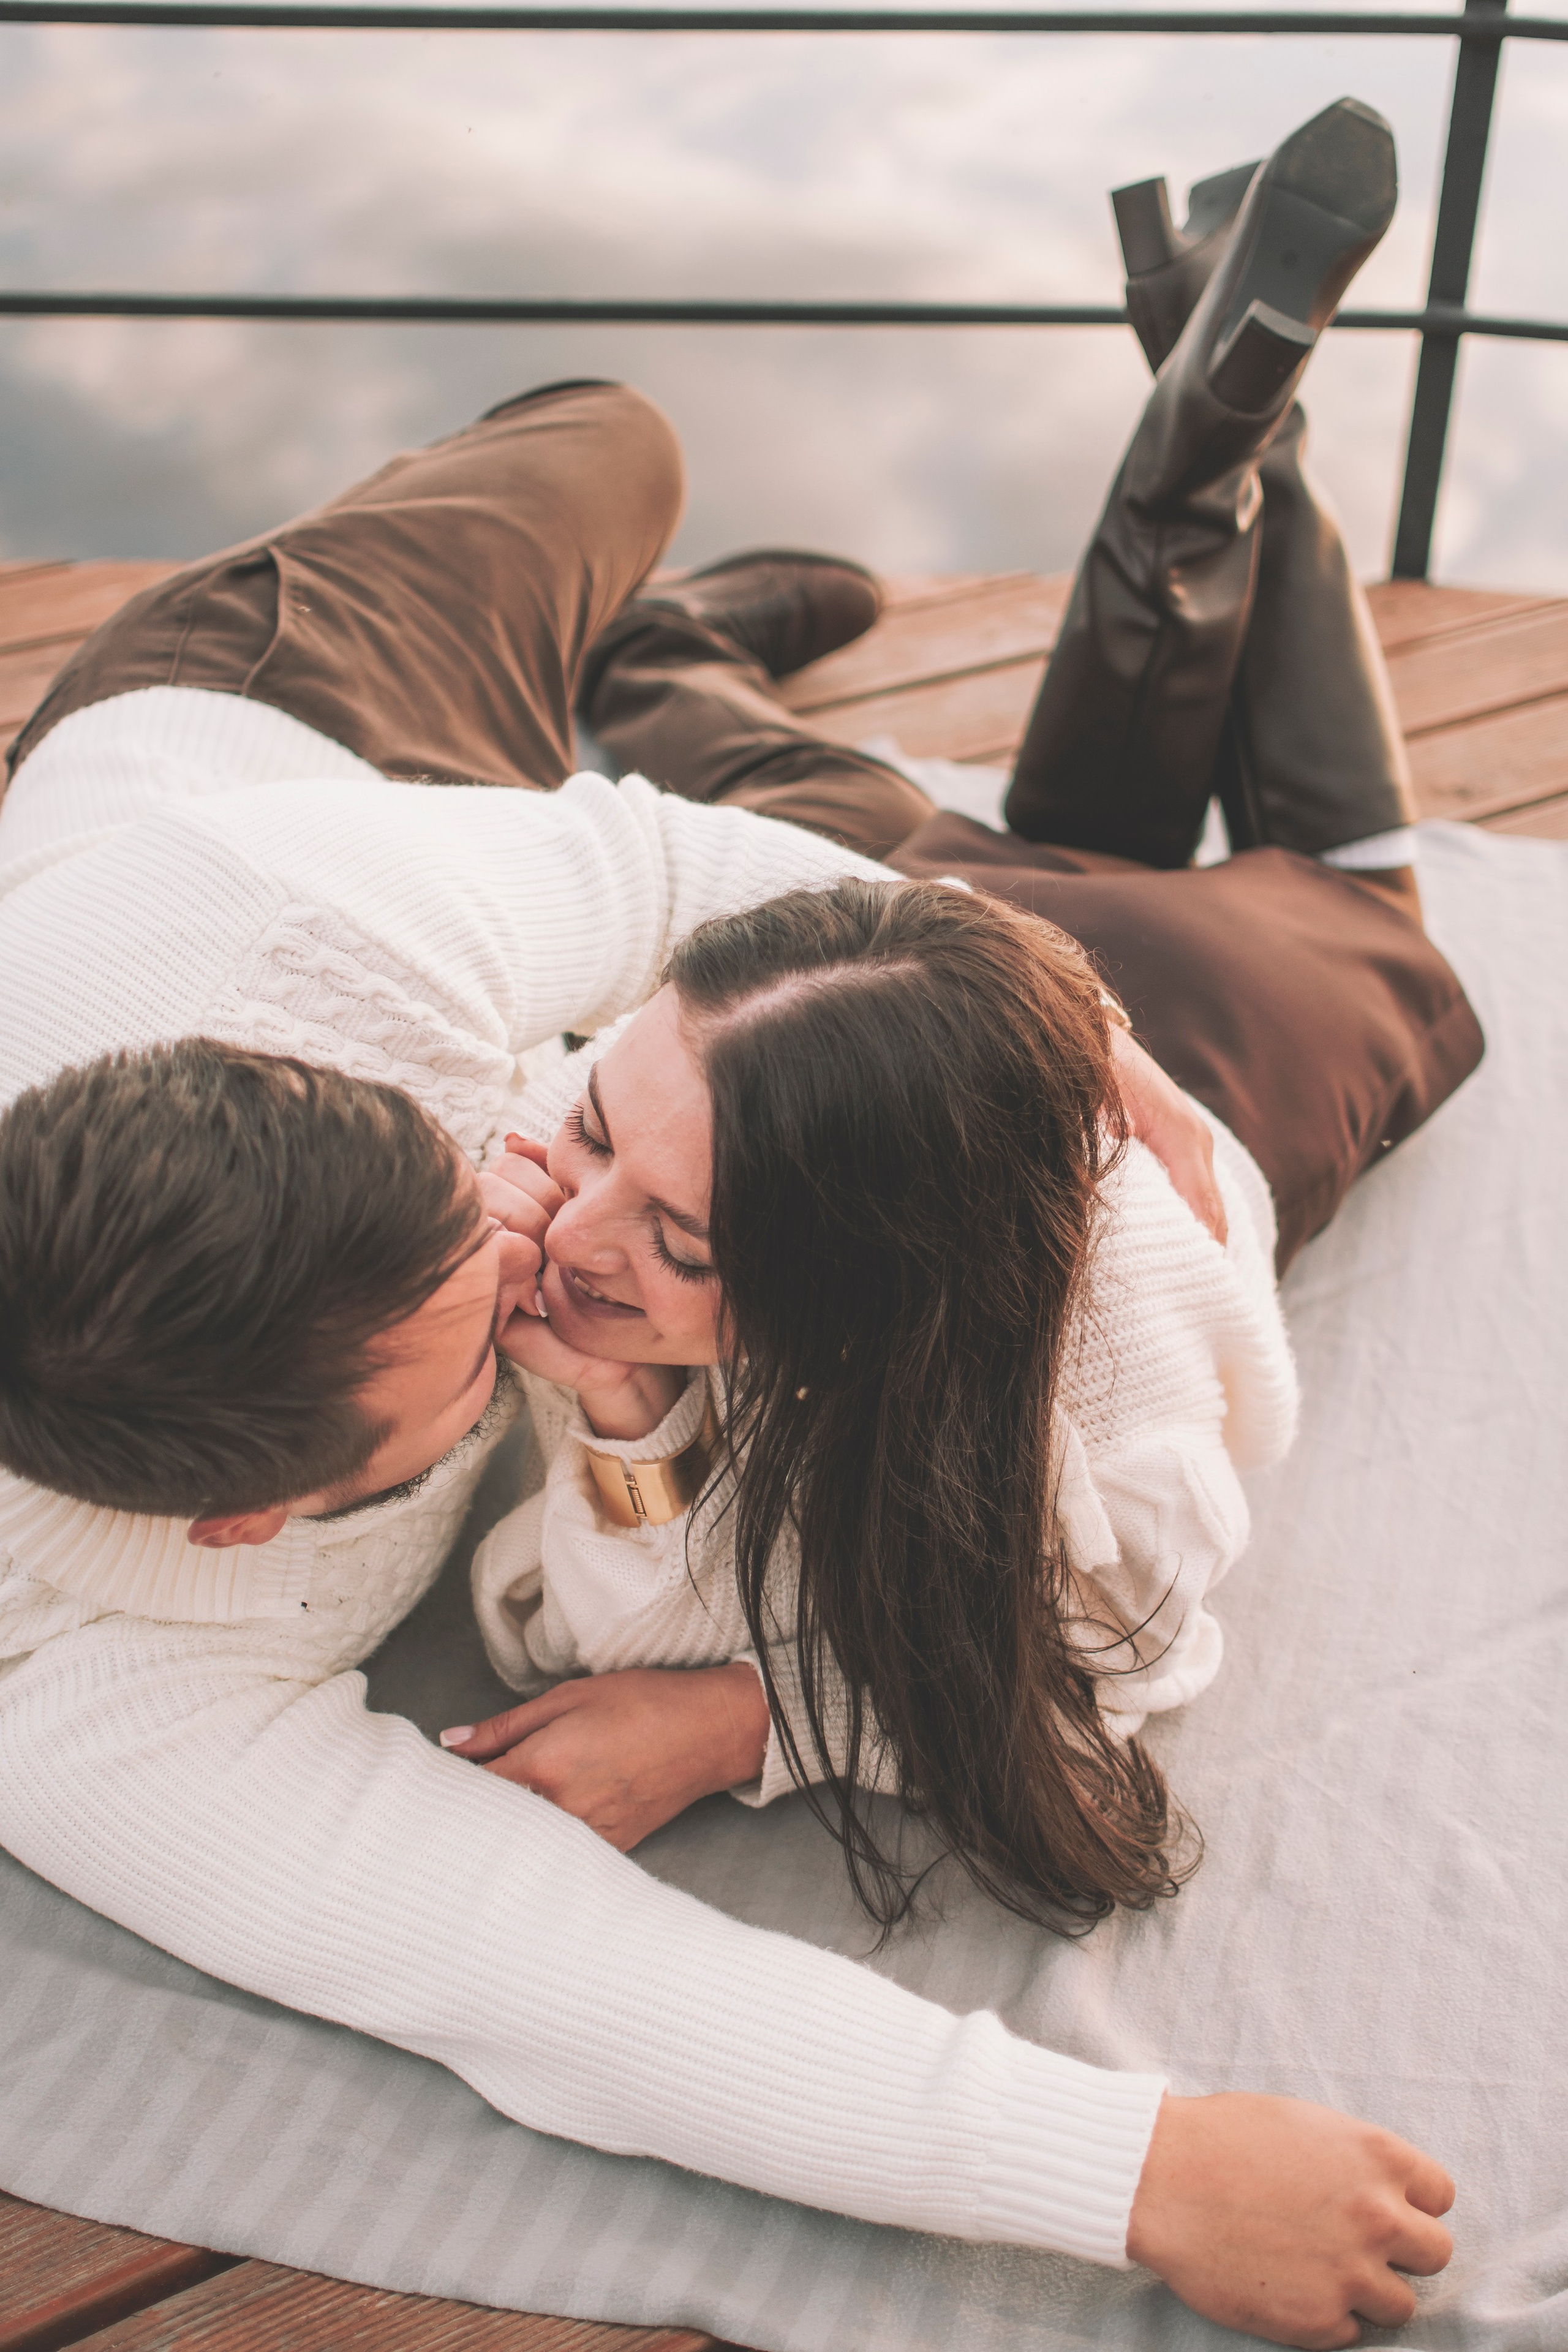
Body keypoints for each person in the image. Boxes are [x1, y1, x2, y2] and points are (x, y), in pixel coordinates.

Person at [0, 96, 1466, 2346]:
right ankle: (694, 673)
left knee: (616, 439)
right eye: (474, 1324)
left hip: (275, 728)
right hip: (511, 953)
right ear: (252, 1520)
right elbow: (533, 1973)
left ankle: (656, 643)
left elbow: (662, 876)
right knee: (897, 847)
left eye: (496, 1161)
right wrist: (1132, 2168)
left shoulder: (289, 932)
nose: (535, 1237)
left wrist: (1059, 1009)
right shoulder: (81, 1701)